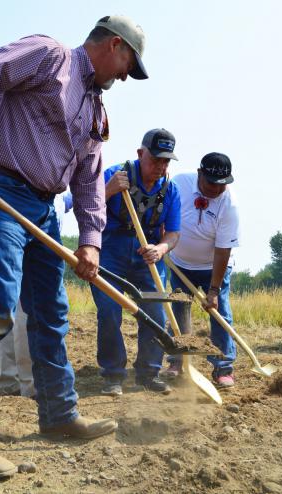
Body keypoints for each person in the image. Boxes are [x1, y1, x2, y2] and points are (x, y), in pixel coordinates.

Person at [0, 14, 148, 477]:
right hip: (0, 192)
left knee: (51, 314)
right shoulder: (49, 57)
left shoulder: (96, 109)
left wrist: (91, 241)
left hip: (46, 209)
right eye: (129, 63)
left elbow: (88, 182)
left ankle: (59, 414)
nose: (127, 75)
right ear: (114, 46)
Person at [90, 128, 181, 397]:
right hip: (111, 250)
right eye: (155, 160)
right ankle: (113, 376)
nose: (160, 166)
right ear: (140, 154)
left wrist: (162, 248)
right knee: (109, 312)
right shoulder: (114, 175)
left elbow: (174, 233)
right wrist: (108, 191)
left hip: (148, 255)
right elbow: (89, 207)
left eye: (166, 161)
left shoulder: (170, 189)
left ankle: (149, 373)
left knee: (155, 315)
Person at [165, 153, 239, 389]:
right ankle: (177, 362)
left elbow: (222, 249)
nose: (217, 190)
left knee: (220, 315)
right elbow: (163, 217)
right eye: (211, 183)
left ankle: (223, 367)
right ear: (199, 174)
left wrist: (214, 290)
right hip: (178, 264)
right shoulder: (178, 184)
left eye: (222, 184)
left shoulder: (229, 204)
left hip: (213, 268)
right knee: (179, 312)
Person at [0, 191, 73, 399]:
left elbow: (74, 199)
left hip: (10, 242)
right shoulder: (47, 192)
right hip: (30, 252)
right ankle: (30, 384)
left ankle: (6, 380)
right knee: (25, 317)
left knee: (6, 311)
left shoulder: (61, 197)